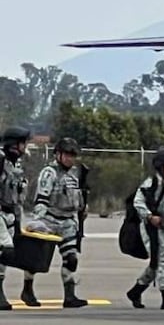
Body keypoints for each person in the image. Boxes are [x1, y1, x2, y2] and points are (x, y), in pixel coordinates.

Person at [26, 138, 89, 308]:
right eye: (68, 154)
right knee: (36, 260)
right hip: (49, 219)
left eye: (73, 155)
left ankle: (69, 296)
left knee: (71, 259)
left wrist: (82, 207)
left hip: (67, 222)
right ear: (58, 155)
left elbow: (77, 197)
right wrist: (38, 221)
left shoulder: (74, 174)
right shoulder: (49, 172)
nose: (71, 158)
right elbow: (41, 198)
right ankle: (27, 289)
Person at [125, 147, 164, 310]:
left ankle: (136, 290)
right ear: (161, 166)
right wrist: (149, 216)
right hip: (153, 229)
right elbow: (138, 201)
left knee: (157, 264)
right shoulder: (151, 183)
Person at [0, 127, 31, 310]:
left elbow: (18, 195)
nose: (24, 147)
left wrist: (19, 222)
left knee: (5, 255)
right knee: (6, 249)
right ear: (14, 144)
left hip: (10, 213)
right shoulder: (0, 160)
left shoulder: (16, 166)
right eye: (22, 143)